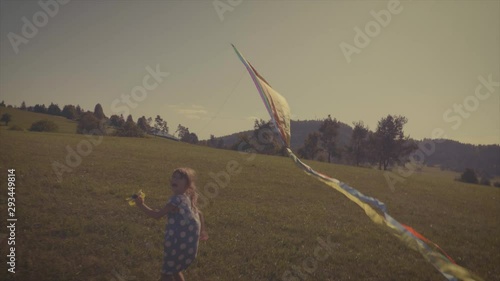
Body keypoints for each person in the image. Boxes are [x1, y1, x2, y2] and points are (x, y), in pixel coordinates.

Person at [135, 167, 208, 281]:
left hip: (176, 244)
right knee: (174, 270)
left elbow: (157, 215)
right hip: (188, 245)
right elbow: (199, 213)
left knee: (166, 274)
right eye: (174, 177)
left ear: (187, 184)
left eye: (180, 178)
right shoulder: (186, 197)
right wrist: (202, 231)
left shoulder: (175, 200)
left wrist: (141, 205)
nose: (175, 179)